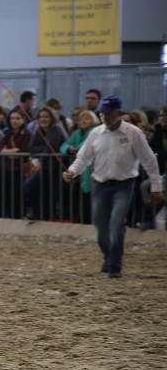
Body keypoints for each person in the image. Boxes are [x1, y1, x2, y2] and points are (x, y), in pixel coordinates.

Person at [63, 97, 162, 278]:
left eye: (108, 113)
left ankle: (114, 266)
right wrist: (72, 171)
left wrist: (156, 186)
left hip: (124, 185)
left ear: (118, 113)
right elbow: (83, 157)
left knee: (116, 224)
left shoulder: (133, 133)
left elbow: (149, 160)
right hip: (99, 184)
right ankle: (109, 258)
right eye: (102, 113)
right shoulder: (96, 133)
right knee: (101, 228)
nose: (104, 116)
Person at [22, 107, 69, 221]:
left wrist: (41, 149)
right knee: (29, 185)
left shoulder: (56, 128)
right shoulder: (39, 130)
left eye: (46, 117)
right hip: (46, 167)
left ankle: (60, 217)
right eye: (41, 117)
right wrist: (43, 149)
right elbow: (31, 148)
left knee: (56, 194)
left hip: (58, 167)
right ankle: (40, 213)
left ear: (52, 118)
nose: (43, 119)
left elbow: (50, 149)